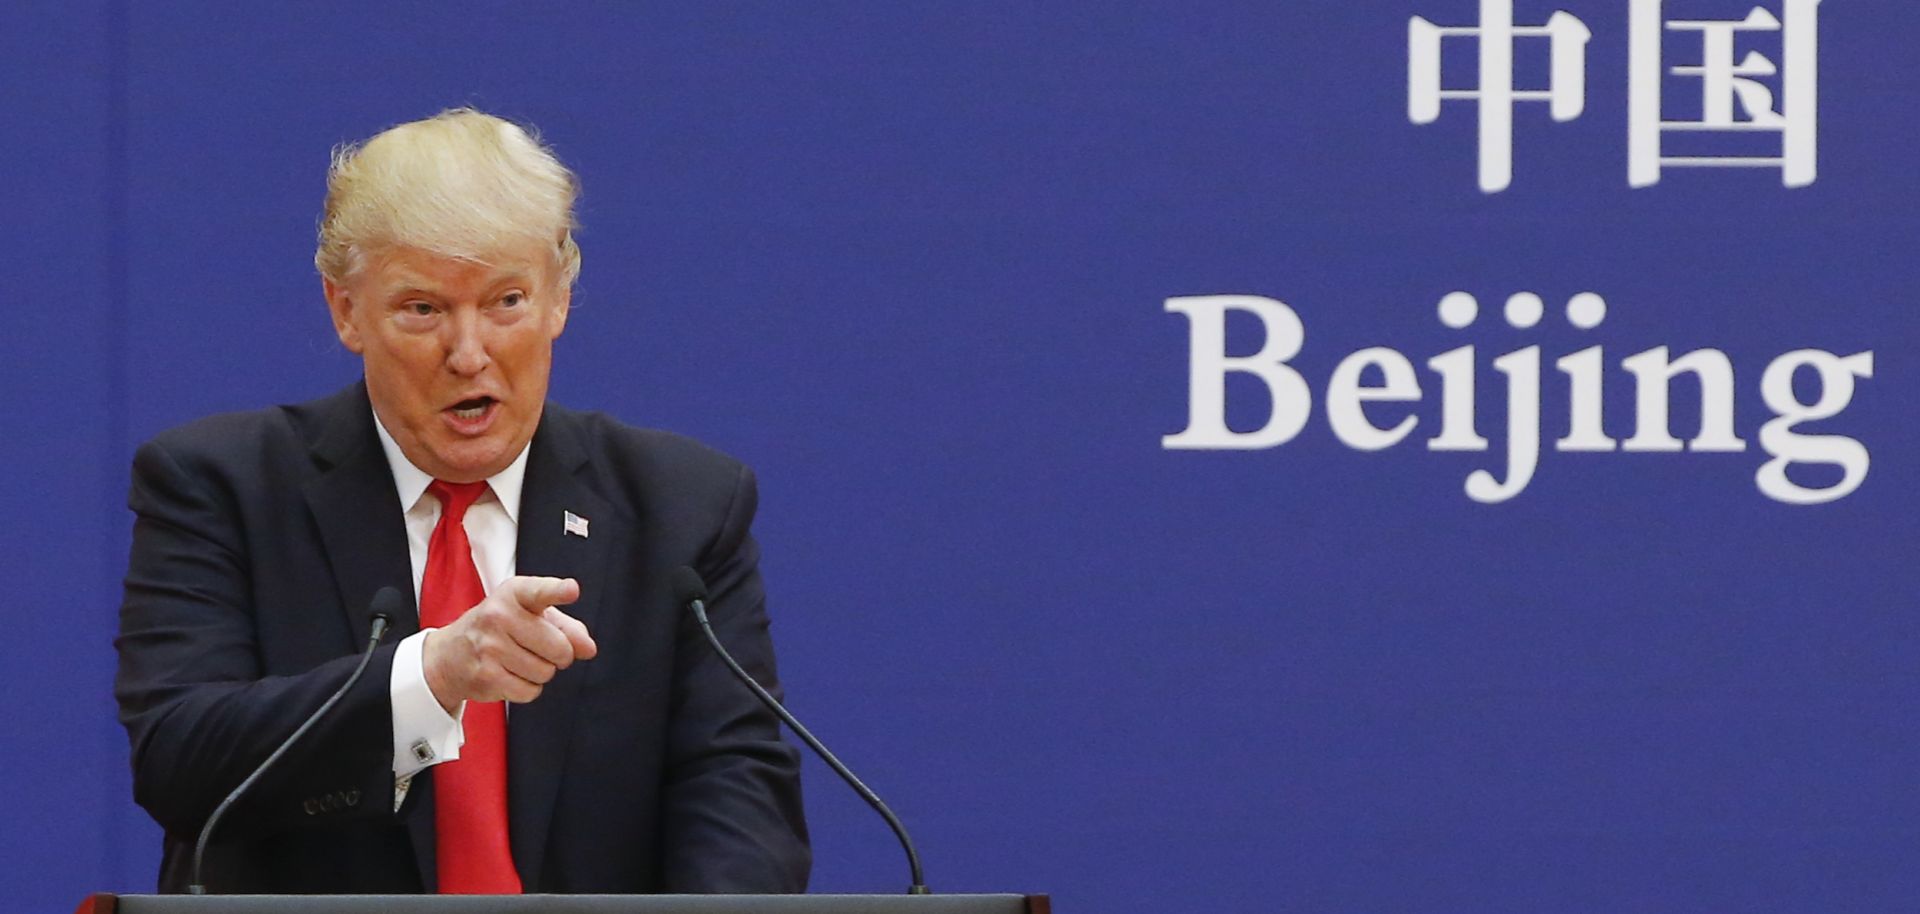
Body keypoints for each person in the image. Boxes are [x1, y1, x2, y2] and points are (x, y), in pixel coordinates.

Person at [112, 109, 810, 894]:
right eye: (424, 309)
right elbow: (181, 763)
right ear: (347, 310)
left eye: (507, 301)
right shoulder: (221, 486)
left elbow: (737, 794)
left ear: (559, 300)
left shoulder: (683, 507)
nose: (469, 354)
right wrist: (430, 676)